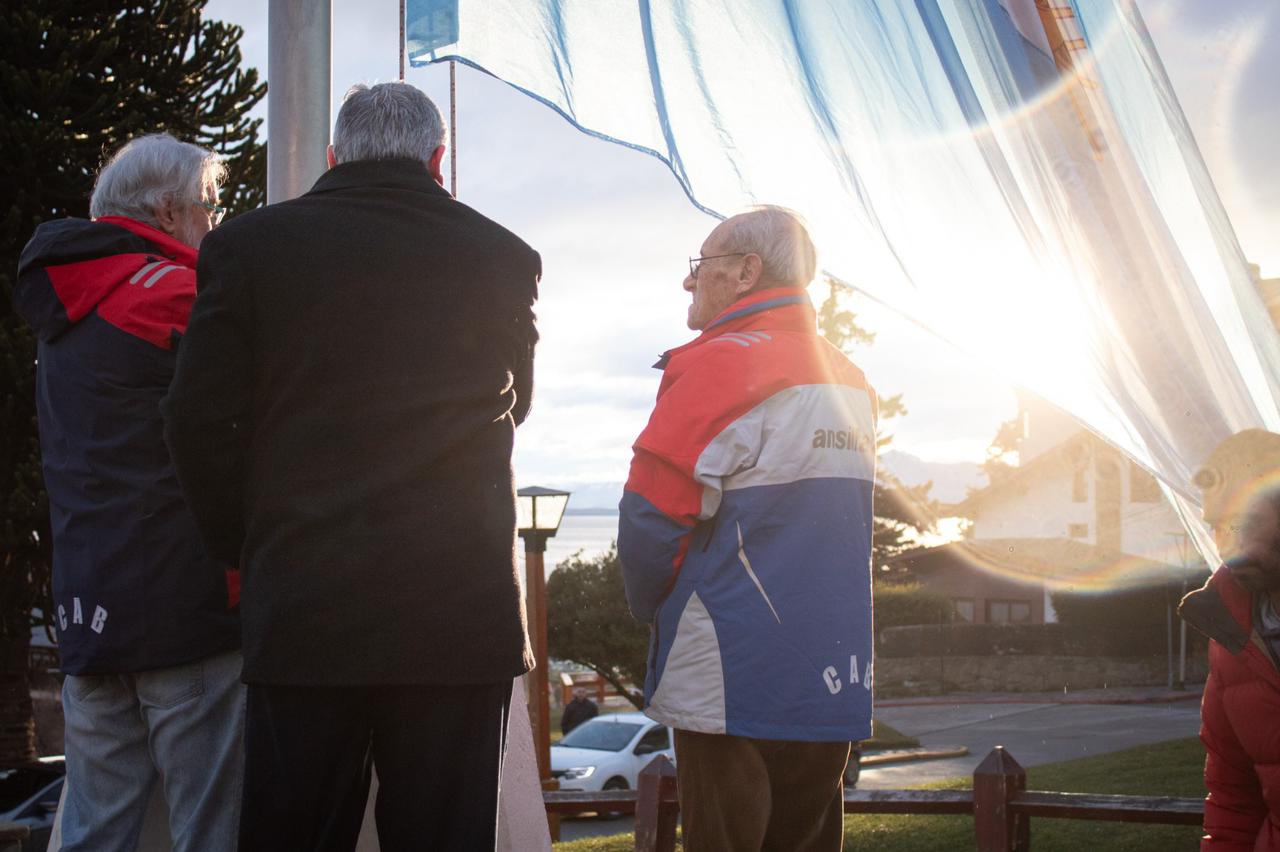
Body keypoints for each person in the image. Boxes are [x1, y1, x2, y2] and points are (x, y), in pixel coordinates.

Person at [162, 82, 541, 851]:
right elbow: (518, 403)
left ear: (333, 156)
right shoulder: (504, 255)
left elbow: (195, 417)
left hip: (304, 598)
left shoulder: (247, 248)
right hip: (458, 610)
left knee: (292, 833)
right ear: (439, 159)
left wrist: (246, 542)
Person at [617, 206, 876, 852]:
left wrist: (653, 611)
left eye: (699, 267)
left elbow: (649, 521)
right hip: (831, 673)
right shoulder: (852, 381)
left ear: (744, 272)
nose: (688, 283)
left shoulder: (718, 366)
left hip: (730, 675)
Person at [13, 134, 243, 852]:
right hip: (185, 610)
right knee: (210, 832)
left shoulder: (67, 310)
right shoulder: (177, 293)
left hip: (89, 610)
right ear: (170, 210)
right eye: (210, 205)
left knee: (89, 832)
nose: (215, 220)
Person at [1180, 429, 1280, 850]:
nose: (1226, 548)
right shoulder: (1230, 637)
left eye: (1239, 523)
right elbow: (1232, 800)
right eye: (1217, 528)